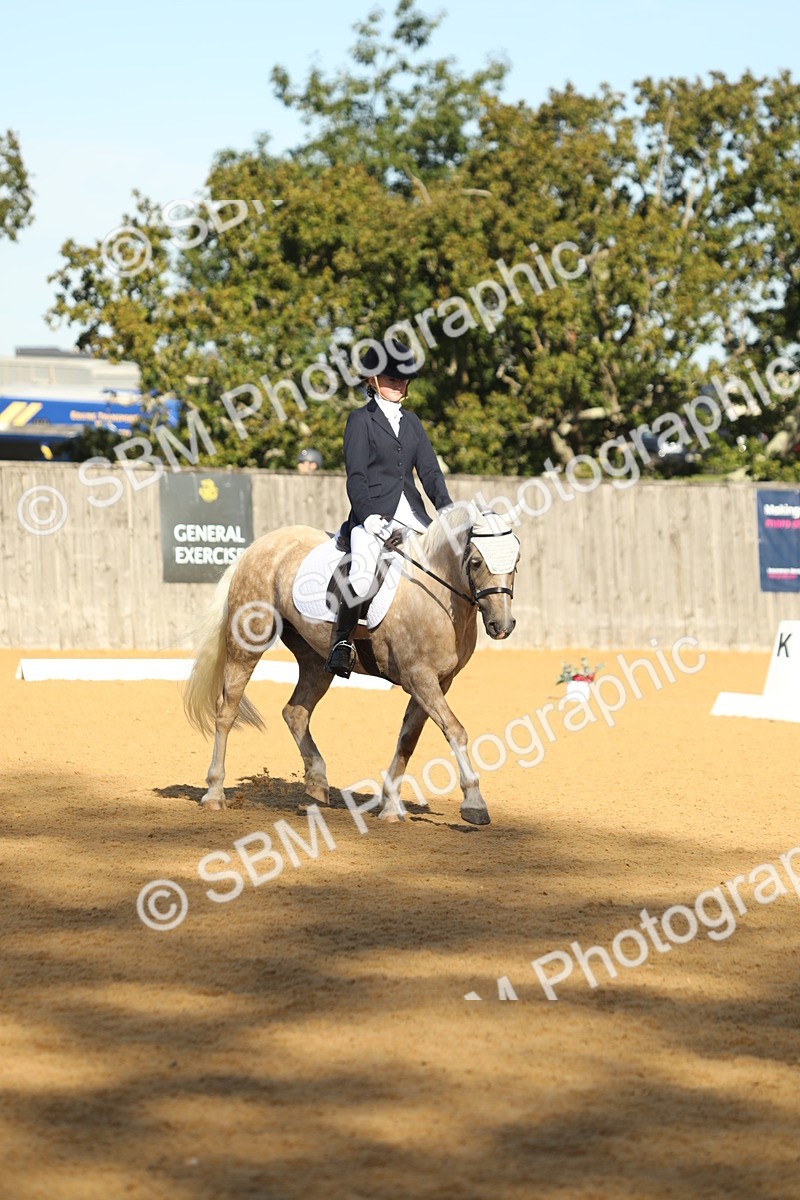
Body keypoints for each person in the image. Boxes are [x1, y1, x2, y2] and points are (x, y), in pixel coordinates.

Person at [324, 338, 453, 677]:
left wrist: (448, 511)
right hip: (372, 516)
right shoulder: (359, 421)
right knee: (363, 572)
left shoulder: (412, 423)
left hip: (411, 513)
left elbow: (430, 473)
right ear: (372, 381)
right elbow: (356, 476)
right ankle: (341, 643)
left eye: (401, 379)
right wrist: (367, 518)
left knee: (446, 562)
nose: (397, 385)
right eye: (390, 378)